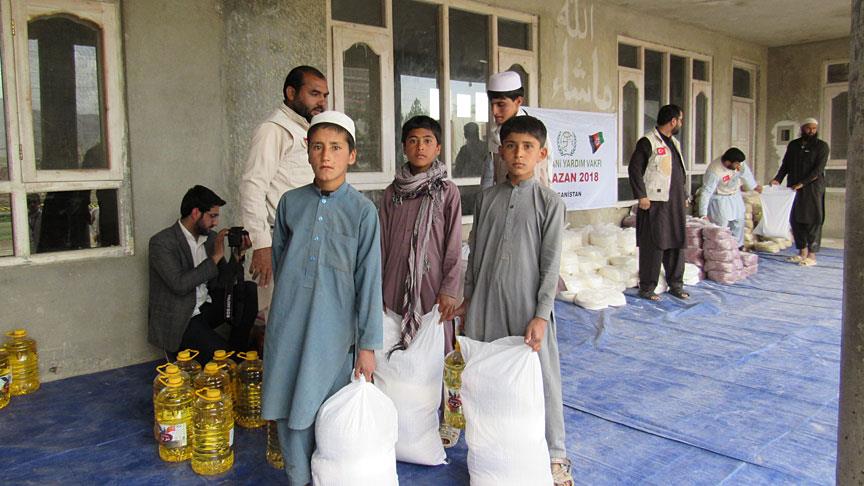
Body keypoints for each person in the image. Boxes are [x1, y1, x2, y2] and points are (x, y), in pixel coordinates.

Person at [262, 111, 383, 486]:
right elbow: (282, 263)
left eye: (335, 147)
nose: (326, 156)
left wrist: (367, 346)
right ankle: (298, 478)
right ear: (307, 151)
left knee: (329, 411)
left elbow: (369, 280)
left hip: (334, 333)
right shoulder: (290, 203)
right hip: (288, 325)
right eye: (317, 147)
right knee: (287, 405)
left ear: (352, 155)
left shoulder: (363, 212)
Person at [460, 115, 573, 486]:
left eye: (527, 147)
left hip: (528, 306)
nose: (518, 154)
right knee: (486, 378)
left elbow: (550, 264)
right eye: (511, 146)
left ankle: (555, 455)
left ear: (542, 154)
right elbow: (475, 254)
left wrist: (541, 314)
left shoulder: (550, 203)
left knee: (543, 378)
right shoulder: (486, 199)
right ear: (501, 153)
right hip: (485, 304)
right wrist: (468, 301)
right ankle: (493, 452)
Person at [379, 115, 462, 446]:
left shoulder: (447, 192)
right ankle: (403, 415)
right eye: (413, 141)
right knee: (398, 353)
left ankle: (448, 418)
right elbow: (381, 243)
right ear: (404, 147)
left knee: (441, 352)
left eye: (427, 141)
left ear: (438, 147)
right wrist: (377, 289)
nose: (420, 147)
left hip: (433, 288)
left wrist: (450, 289)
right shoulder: (392, 193)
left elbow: (453, 244)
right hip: (393, 285)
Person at [239, 66, 329, 323]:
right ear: (291, 93)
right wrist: (261, 245)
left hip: (308, 241)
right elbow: (252, 186)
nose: (322, 102)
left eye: (325, 96)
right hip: (281, 243)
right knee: (282, 322)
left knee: (307, 321)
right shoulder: (273, 130)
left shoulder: (306, 130)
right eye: (314, 94)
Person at [148, 185, 256, 363]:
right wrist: (214, 258)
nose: (216, 223)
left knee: (249, 290)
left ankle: (238, 352)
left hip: (206, 305)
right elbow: (179, 285)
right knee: (223, 361)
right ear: (196, 213)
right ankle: (214, 354)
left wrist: (238, 256)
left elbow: (223, 282)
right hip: (182, 317)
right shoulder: (162, 243)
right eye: (212, 216)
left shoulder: (210, 238)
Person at [628, 104, 689, 301]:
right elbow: (634, 169)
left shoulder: (674, 143)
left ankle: (676, 284)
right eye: (680, 120)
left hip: (674, 203)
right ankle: (647, 287)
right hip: (655, 203)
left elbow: (678, 172)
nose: (681, 123)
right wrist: (642, 195)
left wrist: (684, 195)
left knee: (676, 242)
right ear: (673, 121)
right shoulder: (648, 142)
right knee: (654, 244)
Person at [770, 118, 829, 266]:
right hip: (793, 188)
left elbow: (818, 170)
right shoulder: (794, 145)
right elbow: (785, 165)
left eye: (814, 128)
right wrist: (778, 179)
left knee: (812, 219)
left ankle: (811, 255)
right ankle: (802, 252)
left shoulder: (821, 146)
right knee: (795, 218)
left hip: (812, 188)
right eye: (809, 128)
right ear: (803, 129)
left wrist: (802, 183)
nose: (811, 131)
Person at [480, 71, 549, 189]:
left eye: (501, 104)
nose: (494, 111)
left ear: (518, 101)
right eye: (492, 105)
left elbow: (542, 179)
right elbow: (489, 177)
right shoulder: (495, 133)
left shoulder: (534, 133)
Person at [698, 147, 762, 248]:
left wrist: (754, 186)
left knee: (739, 222)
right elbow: (706, 192)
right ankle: (721, 249)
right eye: (736, 164)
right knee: (722, 224)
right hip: (720, 198)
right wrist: (703, 214)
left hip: (734, 195)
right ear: (727, 162)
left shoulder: (738, 164)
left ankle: (738, 247)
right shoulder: (714, 171)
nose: (739, 166)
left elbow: (746, 174)